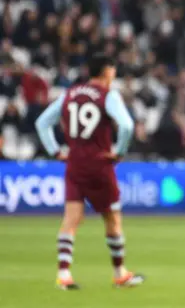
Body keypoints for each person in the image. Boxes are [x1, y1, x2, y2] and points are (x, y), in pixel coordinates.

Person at [35, 53, 143, 290]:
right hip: (99, 165)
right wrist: (120, 151)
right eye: (113, 70)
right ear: (106, 72)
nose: (114, 74)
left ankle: (63, 275)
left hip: (74, 164)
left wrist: (55, 151)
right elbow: (126, 125)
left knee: (71, 219)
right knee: (112, 219)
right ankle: (119, 273)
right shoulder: (108, 96)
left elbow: (42, 123)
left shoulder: (68, 94)